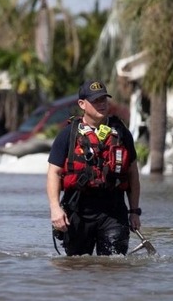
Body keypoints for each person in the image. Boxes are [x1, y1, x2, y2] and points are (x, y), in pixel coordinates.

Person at [46, 80, 142, 256]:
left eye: (104, 99)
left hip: (113, 212)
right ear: (82, 104)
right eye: (96, 100)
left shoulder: (121, 133)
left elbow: (133, 174)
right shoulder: (68, 134)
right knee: (77, 267)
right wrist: (55, 208)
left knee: (114, 265)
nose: (102, 104)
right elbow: (54, 172)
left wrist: (134, 211)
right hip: (79, 212)